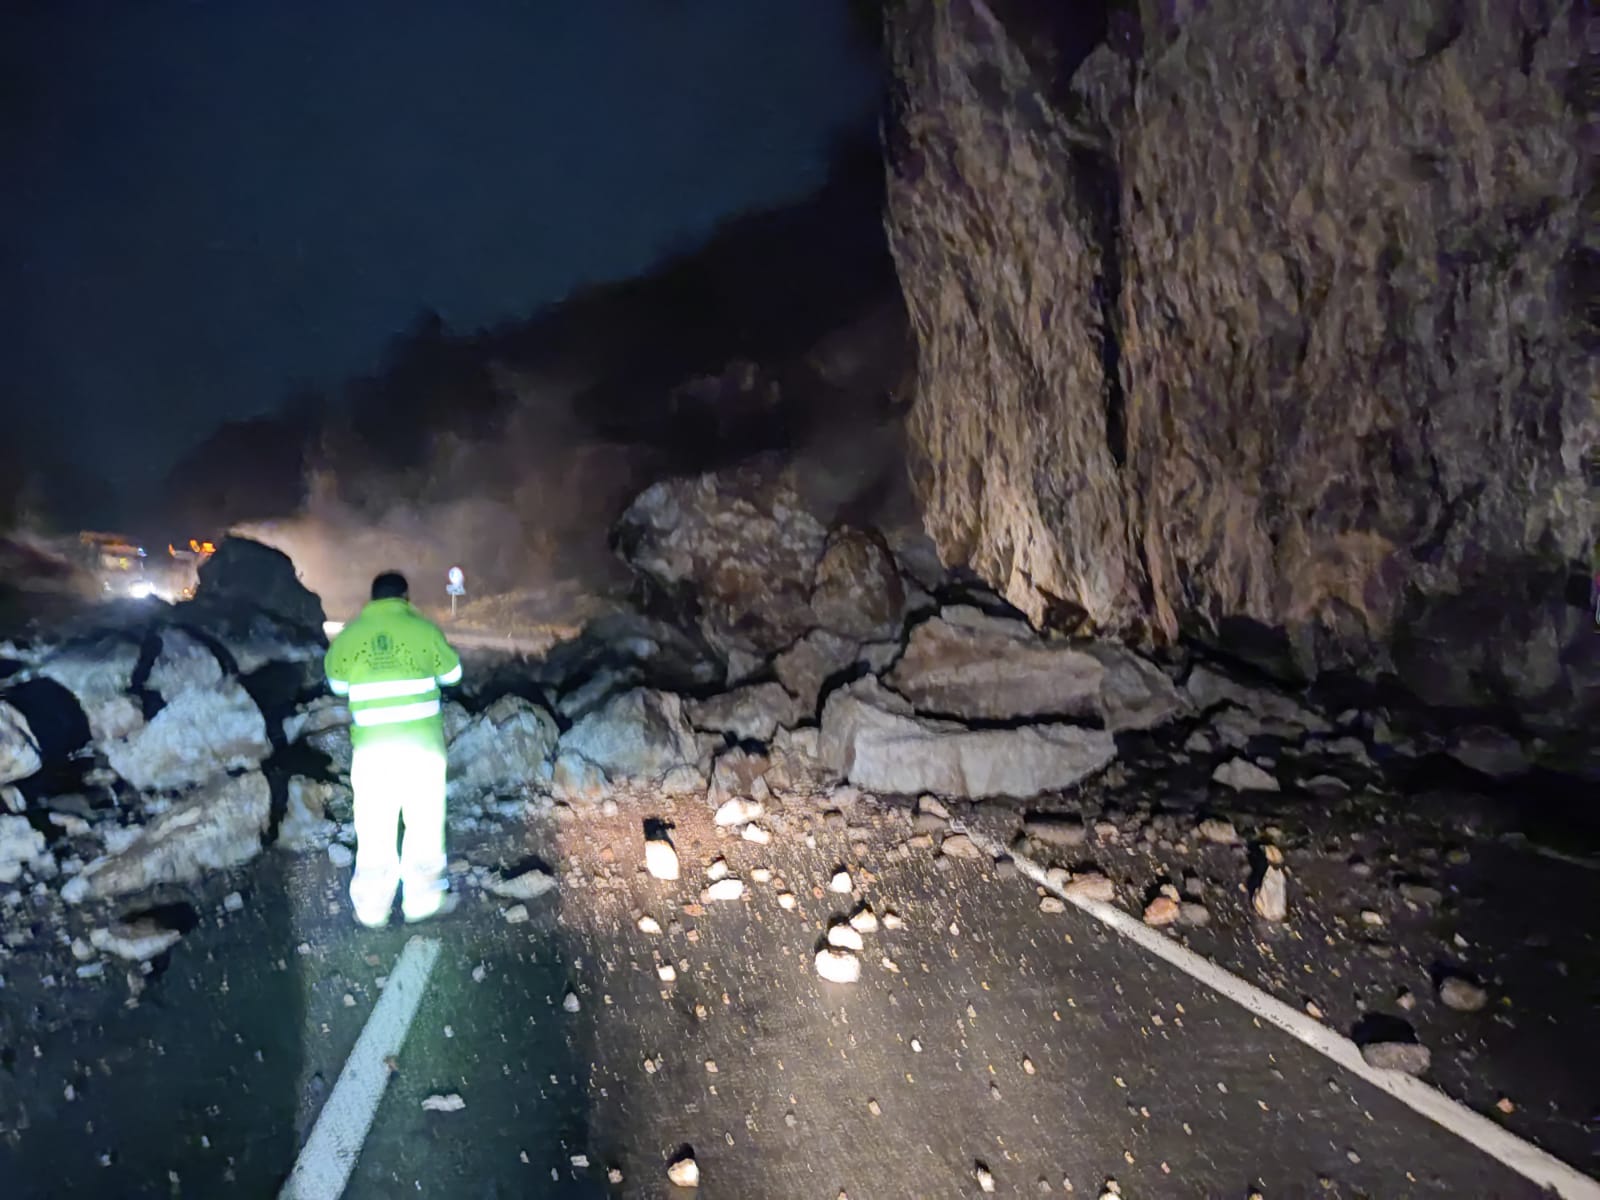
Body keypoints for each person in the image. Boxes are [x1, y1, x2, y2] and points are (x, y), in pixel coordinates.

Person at [324, 571, 462, 927]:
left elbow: (338, 684)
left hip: (372, 753)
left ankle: (372, 908)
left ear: (374, 598)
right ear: (405, 597)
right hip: (423, 750)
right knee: (425, 822)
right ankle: (422, 901)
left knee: (373, 826)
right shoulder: (424, 629)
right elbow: (453, 675)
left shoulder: (350, 634)